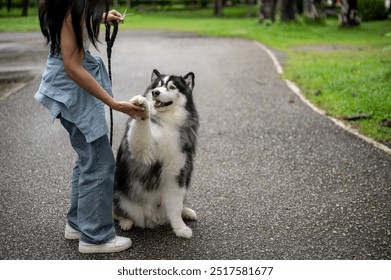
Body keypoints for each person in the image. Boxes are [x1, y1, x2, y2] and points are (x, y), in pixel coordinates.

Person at [35, 0, 147, 253]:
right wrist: (114, 104)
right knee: (100, 160)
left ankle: (78, 224)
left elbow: (72, 31)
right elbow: (72, 67)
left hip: (68, 84)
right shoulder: (68, 6)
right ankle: (95, 237)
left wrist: (99, 17)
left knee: (89, 157)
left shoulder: (76, 4)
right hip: (69, 87)